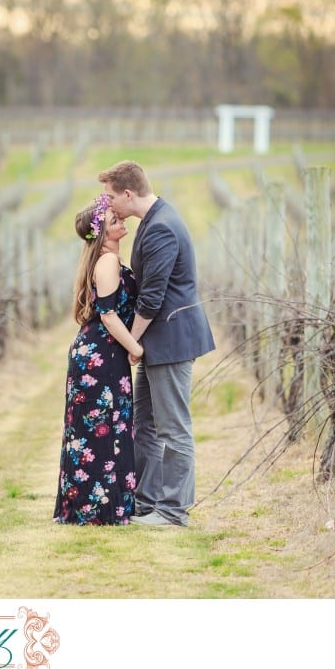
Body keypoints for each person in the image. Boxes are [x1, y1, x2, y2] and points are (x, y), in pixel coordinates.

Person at [99, 160, 215, 527]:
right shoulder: (153, 221)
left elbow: (152, 299)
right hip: (156, 343)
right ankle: (145, 502)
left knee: (173, 427)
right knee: (144, 422)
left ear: (128, 193)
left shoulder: (162, 228)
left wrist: (130, 341)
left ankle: (173, 511)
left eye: (111, 197)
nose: (108, 206)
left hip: (171, 342)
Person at [53, 193, 143, 526]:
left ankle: (105, 508)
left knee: (107, 428)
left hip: (104, 353)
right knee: (100, 430)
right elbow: (107, 314)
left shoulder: (109, 258)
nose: (120, 221)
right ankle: (98, 511)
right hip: (99, 356)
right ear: (101, 234)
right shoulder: (106, 262)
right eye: (112, 221)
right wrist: (135, 347)